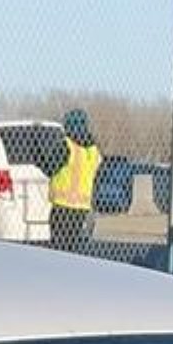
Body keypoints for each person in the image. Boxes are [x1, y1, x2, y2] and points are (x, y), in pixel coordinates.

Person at [49, 108, 102, 251]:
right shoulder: (93, 149)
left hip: (63, 205)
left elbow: (50, 167)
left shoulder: (66, 145)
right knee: (73, 246)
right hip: (83, 206)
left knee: (59, 246)